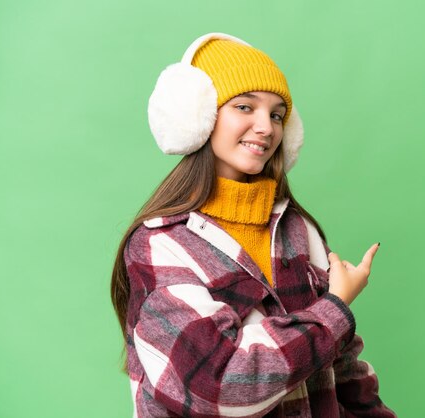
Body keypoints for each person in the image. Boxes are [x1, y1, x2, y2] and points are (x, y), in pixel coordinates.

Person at [111, 32, 396, 418]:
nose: (266, 127)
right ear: (199, 117)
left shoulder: (298, 230)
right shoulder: (161, 244)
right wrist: (335, 307)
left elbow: (341, 370)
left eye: (277, 114)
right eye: (245, 107)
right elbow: (225, 387)